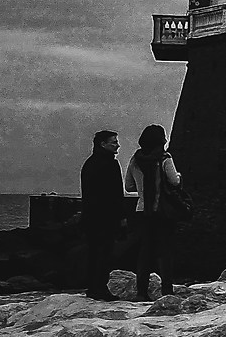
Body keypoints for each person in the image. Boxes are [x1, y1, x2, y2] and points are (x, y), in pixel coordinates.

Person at [123, 124, 186, 300]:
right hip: (162, 211)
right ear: (161, 140)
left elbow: (128, 187)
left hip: (142, 211)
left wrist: (143, 189)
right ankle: (166, 290)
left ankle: (141, 292)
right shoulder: (165, 158)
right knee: (164, 251)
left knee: (144, 251)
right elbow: (174, 181)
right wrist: (179, 176)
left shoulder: (136, 159)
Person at [79, 130, 125, 299]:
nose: (117, 145)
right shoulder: (111, 164)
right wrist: (121, 217)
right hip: (106, 217)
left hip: (91, 216)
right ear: (103, 144)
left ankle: (93, 287)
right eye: (113, 142)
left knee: (93, 253)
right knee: (104, 253)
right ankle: (100, 288)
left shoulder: (89, 163)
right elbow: (116, 194)